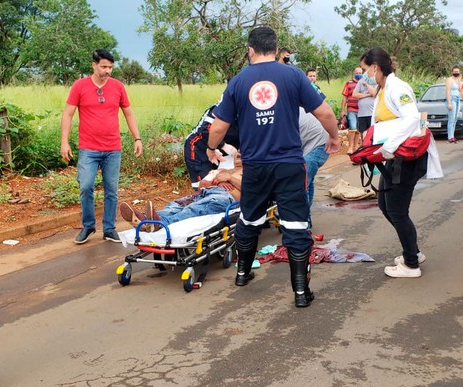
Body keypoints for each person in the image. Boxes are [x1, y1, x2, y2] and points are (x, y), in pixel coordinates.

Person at [207, 26, 340, 308]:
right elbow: (326, 112)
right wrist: (334, 136)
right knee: (295, 225)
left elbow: (219, 126)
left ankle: (243, 273)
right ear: (277, 50)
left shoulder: (238, 81)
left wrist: (210, 148)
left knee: (250, 219)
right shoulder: (293, 76)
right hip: (290, 165)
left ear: (250, 50)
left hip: (255, 167)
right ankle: (301, 292)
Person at [359, 47, 443, 278]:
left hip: (406, 158)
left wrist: (388, 146)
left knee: (397, 211)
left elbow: (412, 118)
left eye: (366, 70)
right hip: (393, 158)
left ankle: (411, 265)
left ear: (375, 67)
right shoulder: (383, 89)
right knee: (385, 205)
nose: (365, 75)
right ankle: (413, 252)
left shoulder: (398, 88)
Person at [61, 49, 143, 244]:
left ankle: (109, 229)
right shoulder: (80, 86)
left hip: (113, 148)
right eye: (104, 66)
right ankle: (88, 226)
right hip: (88, 148)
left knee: (111, 190)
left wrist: (137, 138)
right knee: (86, 186)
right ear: (94, 65)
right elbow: (68, 114)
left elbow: (128, 113)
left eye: (111, 67)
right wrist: (64, 142)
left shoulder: (118, 87)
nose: (108, 71)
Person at [120, 154, 242, 230]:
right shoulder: (223, 170)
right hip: (204, 193)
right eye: (239, 149)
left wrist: (229, 179)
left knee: (192, 209)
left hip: (225, 197)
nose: (240, 151)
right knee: (174, 205)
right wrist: (217, 179)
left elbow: (252, 190)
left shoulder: (251, 172)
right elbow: (202, 185)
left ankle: (161, 224)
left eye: (244, 150)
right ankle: (145, 219)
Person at [184, 102, 239, 188]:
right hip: (199, 148)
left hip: (224, 152)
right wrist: (222, 145)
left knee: (226, 183)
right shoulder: (222, 107)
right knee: (205, 184)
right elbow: (206, 130)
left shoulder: (250, 111)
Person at [341, 67, 363, 154]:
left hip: (362, 110)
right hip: (351, 109)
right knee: (352, 127)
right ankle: (350, 147)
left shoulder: (363, 83)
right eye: (357, 73)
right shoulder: (348, 83)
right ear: (354, 73)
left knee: (358, 129)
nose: (359, 74)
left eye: (360, 73)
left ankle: (355, 146)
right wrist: (342, 110)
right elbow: (344, 97)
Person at [445, 65, 462, 143]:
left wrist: (459, 81)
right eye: (455, 71)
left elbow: (460, 90)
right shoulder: (449, 79)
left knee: (455, 118)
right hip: (452, 99)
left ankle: (453, 136)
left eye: (457, 72)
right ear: (452, 72)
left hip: (458, 99)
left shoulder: (458, 80)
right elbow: (447, 91)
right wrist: (449, 103)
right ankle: (450, 137)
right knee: (451, 119)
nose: (456, 73)